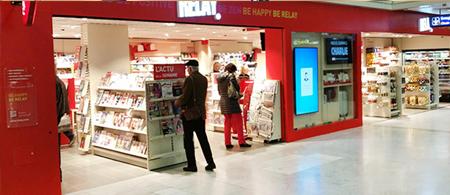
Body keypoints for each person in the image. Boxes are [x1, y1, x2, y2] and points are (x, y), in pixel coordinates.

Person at [175, 60, 216, 172]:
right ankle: (210, 162)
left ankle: (192, 165)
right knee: (203, 139)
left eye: (187, 68)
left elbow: (186, 97)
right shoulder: (204, 79)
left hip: (189, 114)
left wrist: (177, 102)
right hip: (200, 113)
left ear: (190, 68)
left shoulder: (190, 79)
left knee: (188, 140)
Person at [217, 63, 251, 149]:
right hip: (232, 102)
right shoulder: (231, 77)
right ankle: (241, 141)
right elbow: (237, 89)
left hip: (223, 102)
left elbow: (219, 92)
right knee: (239, 122)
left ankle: (227, 143)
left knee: (227, 123)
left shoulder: (220, 78)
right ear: (233, 70)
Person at [56, 76, 75, 145]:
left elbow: (56, 98)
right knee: (61, 125)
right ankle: (71, 135)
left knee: (58, 126)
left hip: (58, 108)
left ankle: (71, 135)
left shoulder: (55, 82)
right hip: (62, 108)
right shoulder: (60, 81)